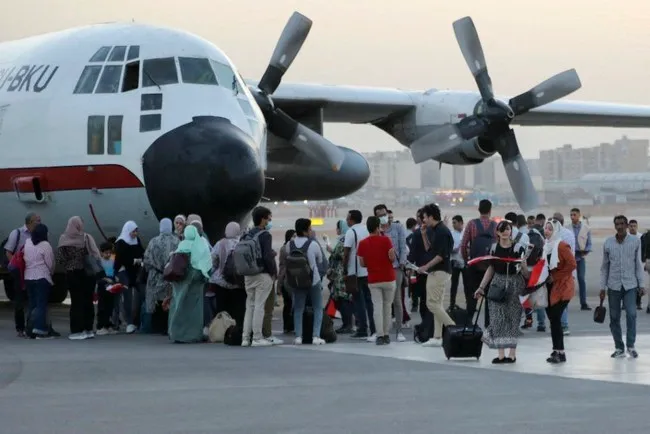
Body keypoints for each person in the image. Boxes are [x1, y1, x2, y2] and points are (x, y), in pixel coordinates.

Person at [474, 220, 529, 364]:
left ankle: (512, 354)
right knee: (497, 318)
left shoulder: (518, 248)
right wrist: (481, 287)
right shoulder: (493, 248)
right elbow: (491, 268)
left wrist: (524, 266)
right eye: (502, 229)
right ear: (497, 232)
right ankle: (500, 354)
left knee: (513, 318)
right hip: (497, 284)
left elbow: (525, 272)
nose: (506, 231)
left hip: (515, 283)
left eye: (508, 229)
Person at [600, 215, 645, 359]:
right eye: (616, 224)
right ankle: (619, 347)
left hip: (630, 285)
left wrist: (641, 284)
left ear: (626, 225)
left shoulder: (635, 242)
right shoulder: (608, 243)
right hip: (613, 286)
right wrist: (602, 287)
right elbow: (604, 268)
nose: (619, 227)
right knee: (614, 317)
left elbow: (638, 265)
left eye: (621, 224)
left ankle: (630, 346)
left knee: (631, 314)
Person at [418, 203, 456, 347]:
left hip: (439, 271)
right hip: (437, 271)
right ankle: (437, 337)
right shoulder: (435, 230)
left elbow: (441, 255)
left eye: (425, 217)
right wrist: (423, 234)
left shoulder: (442, 231)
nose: (423, 220)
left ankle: (453, 328)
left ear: (431, 216)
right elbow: (430, 249)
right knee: (437, 304)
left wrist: (425, 267)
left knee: (432, 304)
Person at [57, 216, 101, 340]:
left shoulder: (63, 239)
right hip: (87, 274)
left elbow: (60, 259)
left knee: (76, 303)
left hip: (72, 274)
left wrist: (70, 263)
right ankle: (88, 329)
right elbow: (95, 254)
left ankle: (76, 330)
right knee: (88, 302)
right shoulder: (86, 238)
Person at [167, 225, 212, 343]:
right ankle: (192, 335)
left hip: (180, 283)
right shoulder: (201, 245)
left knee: (178, 307)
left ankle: (176, 333)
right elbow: (207, 265)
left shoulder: (182, 245)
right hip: (196, 283)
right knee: (194, 310)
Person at [241, 206, 277, 347]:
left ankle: (245, 338)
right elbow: (268, 256)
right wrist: (273, 273)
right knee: (259, 306)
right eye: (268, 218)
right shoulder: (265, 235)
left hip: (248, 275)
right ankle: (257, 337)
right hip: (262, 275)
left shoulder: (246, 235)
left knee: (249, 306)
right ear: (262, 219)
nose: (270, 221)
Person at [357, 216, 396, 345]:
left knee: (377, 307)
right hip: (389, 278)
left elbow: (362, 264)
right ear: (377, 226)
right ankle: (386, 334)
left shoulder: (362, 243)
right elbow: (392, 258)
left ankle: (379, 335)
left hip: (374, 279)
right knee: (387, 307)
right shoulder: (386, 240)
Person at [287, 218, 325, 345]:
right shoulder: (313, 244)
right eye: (310, 228)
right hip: (313, 280)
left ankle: (298, 336)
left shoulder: (289, 244)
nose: (311, 230)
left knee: (298, 308)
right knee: (318, 308)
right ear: (305, 230)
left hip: (296, 280)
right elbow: (320, 260)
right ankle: (316, 336)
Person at [543, 220, 577, 364]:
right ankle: (556, 349)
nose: (547, 231)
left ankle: (560, 352)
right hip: (550, 289)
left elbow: (572, 264)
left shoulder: (561, 246)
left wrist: (555, 276)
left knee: (556, 319)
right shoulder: (546, 246)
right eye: (545, 228)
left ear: (556, 231)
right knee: (553, 320)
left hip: (562, 288)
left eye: (550, 229)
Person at [373, 204, 407, 342]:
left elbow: (402, 247)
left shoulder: (398, 228)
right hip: (381, 269)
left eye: (384, 214)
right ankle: (381, 331)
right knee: (381, 301)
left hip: (396, 267)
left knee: (397, 299)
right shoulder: (376, 231)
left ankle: (399, 330)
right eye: (379, 215)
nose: (383, 217)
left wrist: (402, 263)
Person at [4, 212, 41, 337]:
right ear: (30, 222)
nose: (39, 223)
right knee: (19, 300)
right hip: (19, 272)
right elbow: (8, 251)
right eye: (37, 220)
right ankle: (20, 328)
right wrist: (15, 266)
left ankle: (30, 326)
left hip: (32, 271)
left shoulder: (38, 234)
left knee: (32, 300)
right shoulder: (17, 233)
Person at [460, 199, 496, 327]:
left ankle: (468, 325)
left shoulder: (471, 224)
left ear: (478, 209)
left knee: (472, 296)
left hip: (474, 266)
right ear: (490, 210)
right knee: (489, 299)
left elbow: (463, 245)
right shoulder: (495, 226)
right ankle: (488, 327)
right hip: (489, 268)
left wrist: (467, 260)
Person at [142, 218, 179, 334]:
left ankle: (157, 326)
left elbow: (146, 260)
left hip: (156, 276)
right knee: (169, 300)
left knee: (156, 301)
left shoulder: (153, 241)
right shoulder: (176, 241)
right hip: (170, 275)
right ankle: (168, 326)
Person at [344, 209, 376, 341]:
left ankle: (362, 328)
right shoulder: (366, 230)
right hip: (367, 270)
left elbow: (346, 252)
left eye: (347, 218)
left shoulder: (350, 232)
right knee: (369, 301)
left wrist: (344, 269)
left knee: (358, 301)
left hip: (355, 272)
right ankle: (374, 328)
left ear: (351, 219)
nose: (346, 220)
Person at [210, 221, 247, 328]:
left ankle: (222, 332)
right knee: (238, 309)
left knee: (222, 310)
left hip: (222, 282)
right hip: (238, 283)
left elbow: (213, 261)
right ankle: (237, 330)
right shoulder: (242, 243)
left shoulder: (220, 244)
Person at [23, 224, 55, 339]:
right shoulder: (45, 245)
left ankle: (29, 329)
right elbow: (50, 263)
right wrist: (51, 273)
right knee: (41, 305)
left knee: (32, 304)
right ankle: (40, 330)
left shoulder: (27, 242)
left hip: (28, 277)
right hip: (42, 277)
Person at [113, 220, 145, 334]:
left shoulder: (137, 241)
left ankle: (139, 321)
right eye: (133, 231)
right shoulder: (121, 242)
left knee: (142, 294)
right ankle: (129, 322)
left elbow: (142, 252)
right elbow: (120, 259)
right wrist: (133, 261)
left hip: (135, 272)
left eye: (136, 231)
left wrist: (140, 260)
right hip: (124, 272)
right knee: (127, 298)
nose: (135, 233)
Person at [326, 221, 354, 333]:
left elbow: (340, 255)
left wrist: (331, 251)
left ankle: (347, 325)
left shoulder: (344, 240)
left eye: (337, 227)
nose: (336, 230)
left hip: (341, 274)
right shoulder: (347, 238)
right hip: (343, 273)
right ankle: (347, 324)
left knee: (343, 300)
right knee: (343, 299)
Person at [570, 208, 592, 311]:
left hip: (580, 258)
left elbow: (589, 243)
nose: (572, 217)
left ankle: (583, 303)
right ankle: (565, 302)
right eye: (571, 215)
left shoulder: (586, 228)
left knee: (581, 279)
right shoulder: (567, 228)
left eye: (574, 215)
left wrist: (586, 250)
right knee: (569, 280)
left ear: (579, 215)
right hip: (570, 258)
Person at [96, 242, 119, 335]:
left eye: (110, 253)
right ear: (101, 252)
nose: (108, 255)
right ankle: (100, 326)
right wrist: (105, 278)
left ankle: (107, 325)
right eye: (106, 253)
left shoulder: (112, 261)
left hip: (111, 284)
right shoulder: (99, 261)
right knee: (102, 306)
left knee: (110, 306)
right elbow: (98, 275)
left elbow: (113, 272)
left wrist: (115, 277)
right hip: (103, 285)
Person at [278, 229, 297, 333]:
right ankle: (290, 326)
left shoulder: (283, 248)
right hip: (288, 279)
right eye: (293, 236)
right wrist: (279, 283)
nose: (295, 238)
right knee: (289, 303)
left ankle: (289, 326)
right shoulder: (285, 248)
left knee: (289, 303)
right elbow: (282, 267)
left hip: (287, 278)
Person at [449, 215, 466, 310]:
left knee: (467, 285)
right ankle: (452, 304)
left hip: (464, 262)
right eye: (452, 223)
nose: (453, 225)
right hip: (455, 262)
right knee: (454, 285)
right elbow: (449, 248)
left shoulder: (466, 233)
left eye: (455, 222)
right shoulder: (451, 234)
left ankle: (470, 304)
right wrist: (455, 249)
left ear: (460, 223)